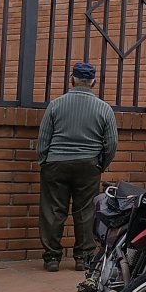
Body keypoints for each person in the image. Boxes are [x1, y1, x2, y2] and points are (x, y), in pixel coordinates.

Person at [36, 62, 118, 272]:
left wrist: (45, 160)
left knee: (53, 210)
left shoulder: (56, 104)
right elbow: (111, 143)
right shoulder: (104, 108)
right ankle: (82, 257)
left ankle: (52, 258)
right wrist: (100, 164)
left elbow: (43, 138)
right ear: (94, 82)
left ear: (71, 79)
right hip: (88, 164)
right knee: (85, 211)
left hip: (56, 162)